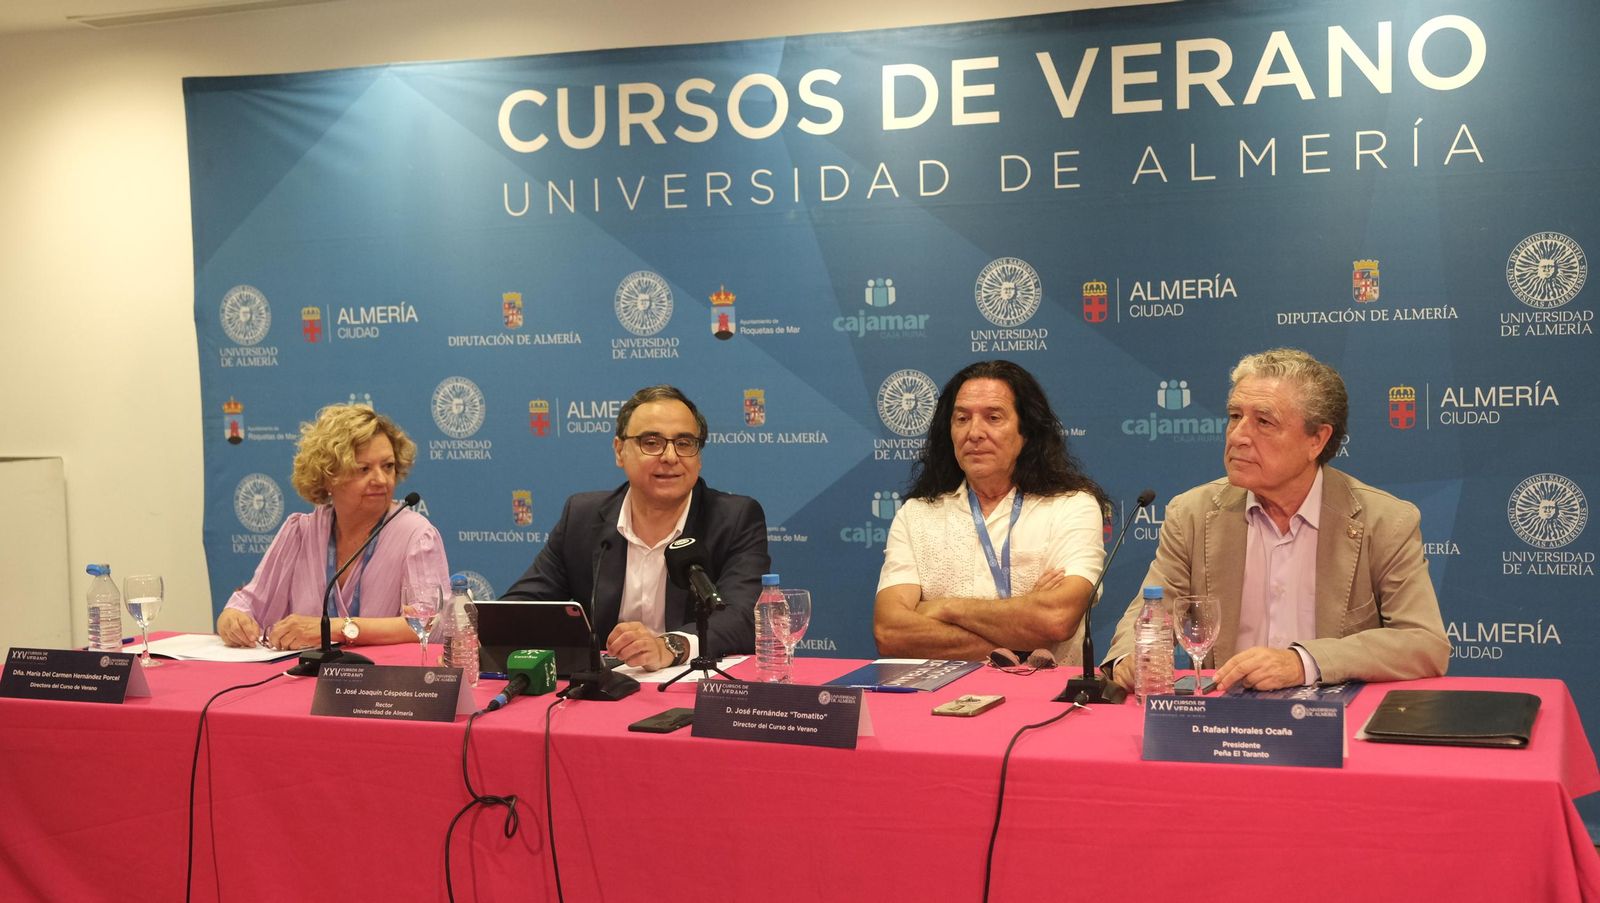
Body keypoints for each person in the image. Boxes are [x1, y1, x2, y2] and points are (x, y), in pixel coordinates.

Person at [1105, 348, 1449, 692]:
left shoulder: (1384, 521)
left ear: (1317, 440)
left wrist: (1303, 662)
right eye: (1234, 416)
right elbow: (1151, 612)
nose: (1238, 436)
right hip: (1225, 716)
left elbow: (1424, 642)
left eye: (1264, 422)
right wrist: (1129, 658)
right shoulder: (1192, 514)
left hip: (1336, 716)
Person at [501, 385, 769, 671]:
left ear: (698, 457)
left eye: (684, 443)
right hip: (607, 688)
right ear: (619, 451)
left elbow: (744, 616)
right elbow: (522, 607)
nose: (670, 457)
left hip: (688, 687)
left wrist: (669, 646)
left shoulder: (734, 519)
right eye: (651, 442)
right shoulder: (582, 517)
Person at [873, 360, 1108, 664]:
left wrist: (945, 608)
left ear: (1026, 431)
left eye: (993, 417)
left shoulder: (1072, 506)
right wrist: (1025, 627)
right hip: (939, 693)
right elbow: (890, 633)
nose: (974, 432)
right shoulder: (916, 514)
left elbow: (1056, 619)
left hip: (1044, 692)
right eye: (962, 419)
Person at [217, 404, 451, 649]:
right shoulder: (301, 532)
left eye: (388, 466)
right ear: (329, 476)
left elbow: (433, 626)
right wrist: (232, 619)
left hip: (384, 673)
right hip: (305, 671)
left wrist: (336, 629)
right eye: (363, 469)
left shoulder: (415, 536)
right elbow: (247, 605)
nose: (381, 480)